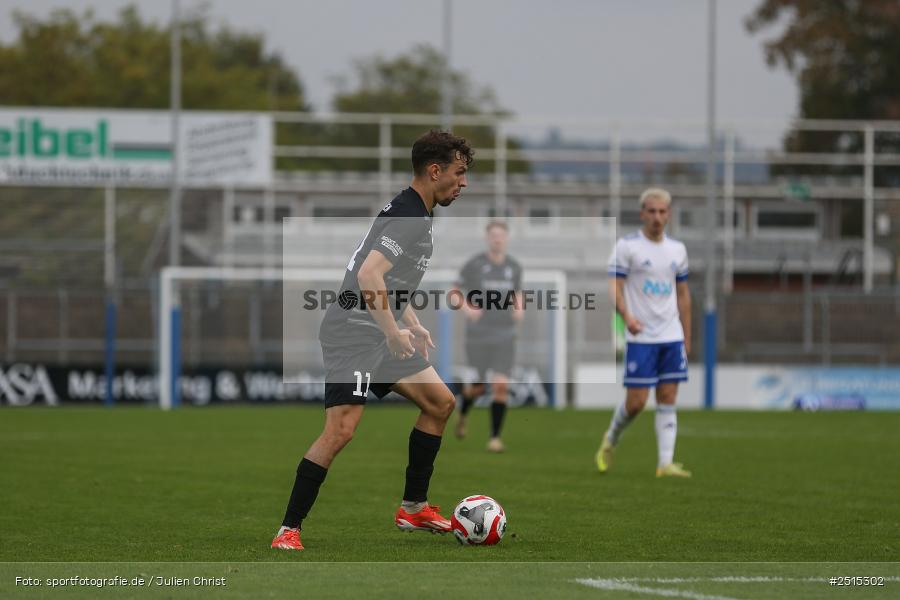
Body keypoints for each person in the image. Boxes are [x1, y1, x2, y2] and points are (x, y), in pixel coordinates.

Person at [272, 130, 473, 551]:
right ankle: (288, 530)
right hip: (354, 333)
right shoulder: (409, 215)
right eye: (459, 172)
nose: (463, 182)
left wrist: (409, 322)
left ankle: (413, 508)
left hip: (380, 330)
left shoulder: (416, 210)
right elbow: (368, 277)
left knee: (440, 403)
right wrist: (392, 331)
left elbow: (388, 279)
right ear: (435, 171)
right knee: (341, 431)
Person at [597, 187, 692, 478]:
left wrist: (687, 337)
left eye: (663, 212)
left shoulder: (678, 250)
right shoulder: (628, 246)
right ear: (642, 213)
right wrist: (626, 316)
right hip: (641, 336)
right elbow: (614, 288)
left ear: (669, 215)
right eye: (652, 211)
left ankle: (665, 463)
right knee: (636, 403)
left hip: (671, 335)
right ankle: (611, 438)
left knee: (668, 396)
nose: (657, 217)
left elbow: (684, 295)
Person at [453, 221, 523, 453]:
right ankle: (463, 413)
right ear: (487, 238)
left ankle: (494, 437)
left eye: (501, 235)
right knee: (478, 387)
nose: (497, 239)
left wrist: (519, 307)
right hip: (478, 335)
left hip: (504, 334)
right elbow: (454, 292)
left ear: (507, 239)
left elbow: (517, 293)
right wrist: (467, 308)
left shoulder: (514, 267)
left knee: (500, 385)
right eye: (493, 235)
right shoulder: (474, 264)